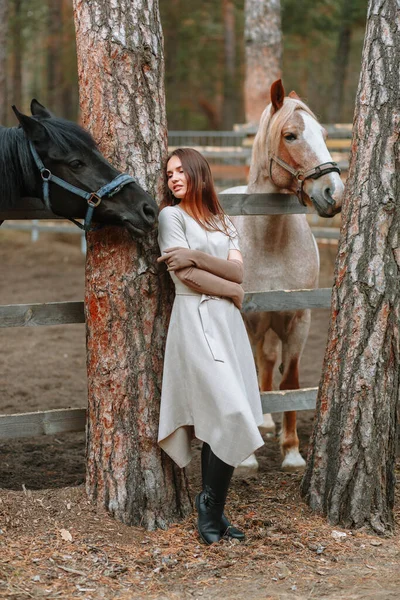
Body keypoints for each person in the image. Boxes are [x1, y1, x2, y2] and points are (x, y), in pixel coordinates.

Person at [157, 148, 263, 545]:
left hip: (228, 326)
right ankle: (209, 509)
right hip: (195, 321)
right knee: (230, 409)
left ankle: (213, 512)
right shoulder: (171, 217)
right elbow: (184, 278)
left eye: (181, 170)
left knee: (225, 414)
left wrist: (198, 256)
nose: (174, 178)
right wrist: (233, 289)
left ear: (200, 173)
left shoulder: (223, 220)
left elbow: (238, 271)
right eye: (169, 174)